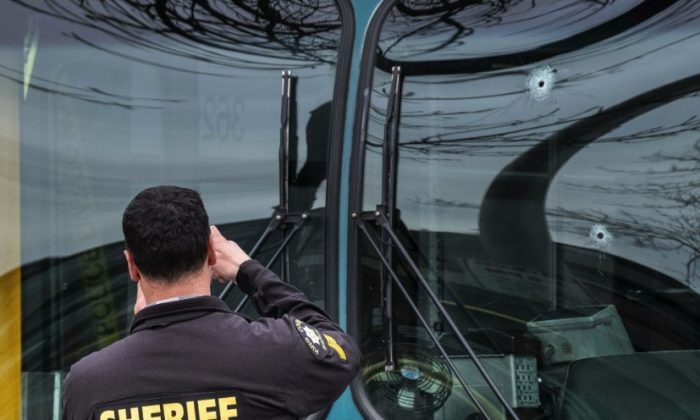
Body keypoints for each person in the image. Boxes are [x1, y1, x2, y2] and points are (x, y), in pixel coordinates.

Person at [61, 185, 360, 420]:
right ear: (212, 253)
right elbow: (340, 349)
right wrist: (247, 270)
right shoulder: (275, 352)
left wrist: (140, 333)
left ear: (132, 266)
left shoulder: (88, 383)